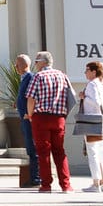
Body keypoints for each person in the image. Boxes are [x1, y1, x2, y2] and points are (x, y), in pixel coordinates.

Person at [25, 52, 75, 194]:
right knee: (59, 151)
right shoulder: (62, 76)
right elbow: (71, 97)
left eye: (36, 61)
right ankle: (66, 185)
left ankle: (46, 185)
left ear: (42, 62)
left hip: (41, 117)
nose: (35, 64)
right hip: (59, 118)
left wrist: (30, 115)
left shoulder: (38, 77)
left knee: (43, 152)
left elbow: (31, 99)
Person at [77, 60, 103, 193]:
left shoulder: (92, 85)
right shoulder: (101, 85)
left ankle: (96, 182)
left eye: (87, 70)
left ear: (94, 71)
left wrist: (83, 97)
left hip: (92, 122)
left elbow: (95, 102)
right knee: (102, 153)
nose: (85, 72)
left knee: (93, 152)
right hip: (102, 122)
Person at [12, 53, 38, 189]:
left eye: (18, 64)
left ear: (25, 65)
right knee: (29, 148)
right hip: (24, 118)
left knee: (33, 148)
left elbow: (31, 97)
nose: (16, 66)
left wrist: (29, 114)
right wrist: (18, 102)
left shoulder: (30, 77)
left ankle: (36, 178)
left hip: (29, 119)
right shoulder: (24, 78)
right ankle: (34, 177)